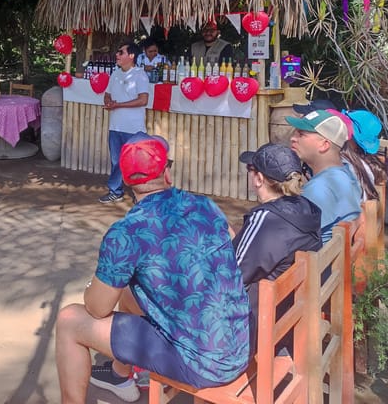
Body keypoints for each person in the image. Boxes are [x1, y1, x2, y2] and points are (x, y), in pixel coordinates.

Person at [55, 133, 250, 403]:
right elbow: (231, 250)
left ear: (125, 180)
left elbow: (97, 308)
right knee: (127, 293)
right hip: (239, 342)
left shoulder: (127, 232)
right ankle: (121, 375)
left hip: (200, 363)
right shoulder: (206, 205)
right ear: (167, 174)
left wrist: (94, 284)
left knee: (69, 320)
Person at [234, 143, 322, 347]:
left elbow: (233, 274)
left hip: (257, 322)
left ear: (259, 179)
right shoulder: (308, 208)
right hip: (287, 311)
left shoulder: (266, 218)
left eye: (250, 170)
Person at [286, 109, 362, 242]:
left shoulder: (318, 190)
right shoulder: (346, 172)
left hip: (317, 260)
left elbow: (287, 239)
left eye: (301, 134)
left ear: (324, 145)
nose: (293, 138)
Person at [100, 41, 150, 204]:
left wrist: (118, 105)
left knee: (136, 162)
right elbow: (107, 93)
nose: (117, 54)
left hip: (133, 128)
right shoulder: (115, 73)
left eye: (121, 52)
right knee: (116, 161)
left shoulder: (140, 75)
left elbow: (143, 100)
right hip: (115, 126)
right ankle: (115, 191)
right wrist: (108, 101)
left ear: (131, 56)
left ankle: (140, 194)